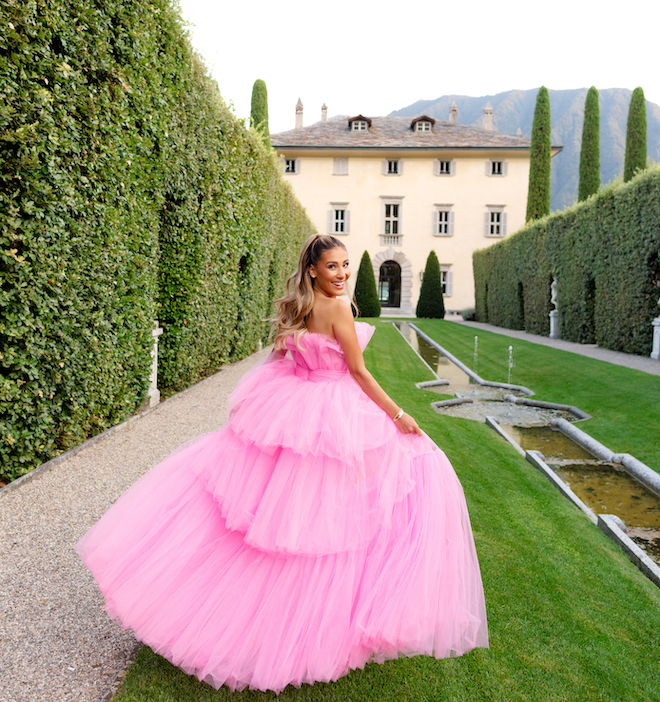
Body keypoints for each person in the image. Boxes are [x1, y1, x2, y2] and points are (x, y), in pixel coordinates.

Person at [75, 234, 488, 694]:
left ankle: (243, 616)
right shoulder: (339, 309)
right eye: (333, 267)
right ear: (313, 269)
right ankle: (317, 629)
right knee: (333, 516)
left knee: (278, 515)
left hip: (295, 406)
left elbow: (277, 360)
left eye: (346, 265)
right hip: (332, 412)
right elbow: (357, 372)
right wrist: (398, 414)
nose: (343, 274)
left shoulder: (298, 305)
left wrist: (256, 405)